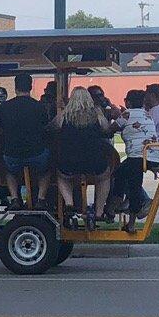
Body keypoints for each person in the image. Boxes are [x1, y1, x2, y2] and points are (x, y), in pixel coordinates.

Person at [54, 89, 117, 226]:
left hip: (69, 161)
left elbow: (52, 128)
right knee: (104, 177)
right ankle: (99, 212)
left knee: (61, 177)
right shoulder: (97, 113)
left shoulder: (65, 115)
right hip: (94, 161)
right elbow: (106, 129)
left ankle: (69, 203)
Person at [0, 71, 54, 208]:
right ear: (31, 87)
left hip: (12, 155)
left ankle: (15, 198)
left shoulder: (4, 106)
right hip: (36, 154)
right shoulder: (39, 106)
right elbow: (46, 128)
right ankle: (41, 199)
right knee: (45, 171)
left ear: (15, 87)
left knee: (9, 172)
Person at [114, 87, 154, 224]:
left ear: (128, 102)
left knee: (129, 183)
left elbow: (109, 130)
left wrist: (115, 116)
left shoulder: (127, 114)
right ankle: (122, 204)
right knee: (123, 174)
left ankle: (121, 207)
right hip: (151, 155)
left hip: (137, 157)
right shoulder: (146, 114)